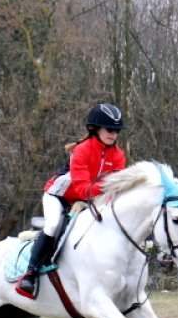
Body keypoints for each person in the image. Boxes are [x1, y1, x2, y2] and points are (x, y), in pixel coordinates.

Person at [16, 103, 127, 299]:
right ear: (95, 128)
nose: (114, 134)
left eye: (117, 131)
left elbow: (112, 192)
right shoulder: (82, 150)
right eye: (110, 129)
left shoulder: (118, 155)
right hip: (59, 196)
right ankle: (30, 274)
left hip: (89, 200)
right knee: (52, 225)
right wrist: (111, 185)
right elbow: (83, 189)